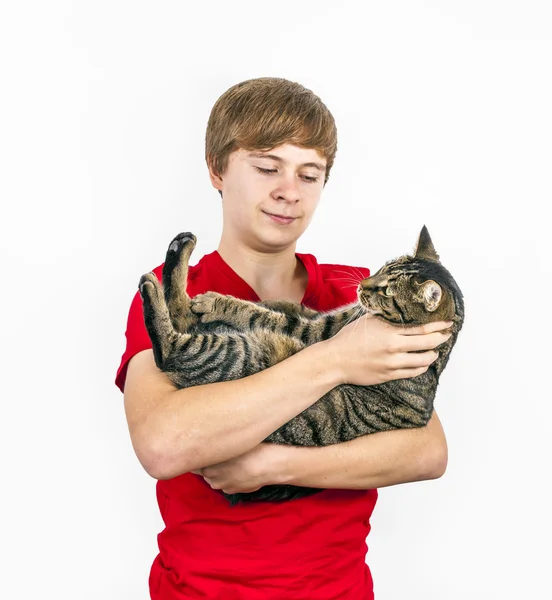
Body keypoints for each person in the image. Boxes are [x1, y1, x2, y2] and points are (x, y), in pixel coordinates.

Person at [115, 77, 452, 599]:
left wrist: (278, 464)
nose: (288, 191)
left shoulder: (361, 294)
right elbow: (163, 444)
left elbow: (427, 449)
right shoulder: (175, 292)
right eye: (267, 167)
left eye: (309, 174)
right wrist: (338, 360)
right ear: (216, 169)